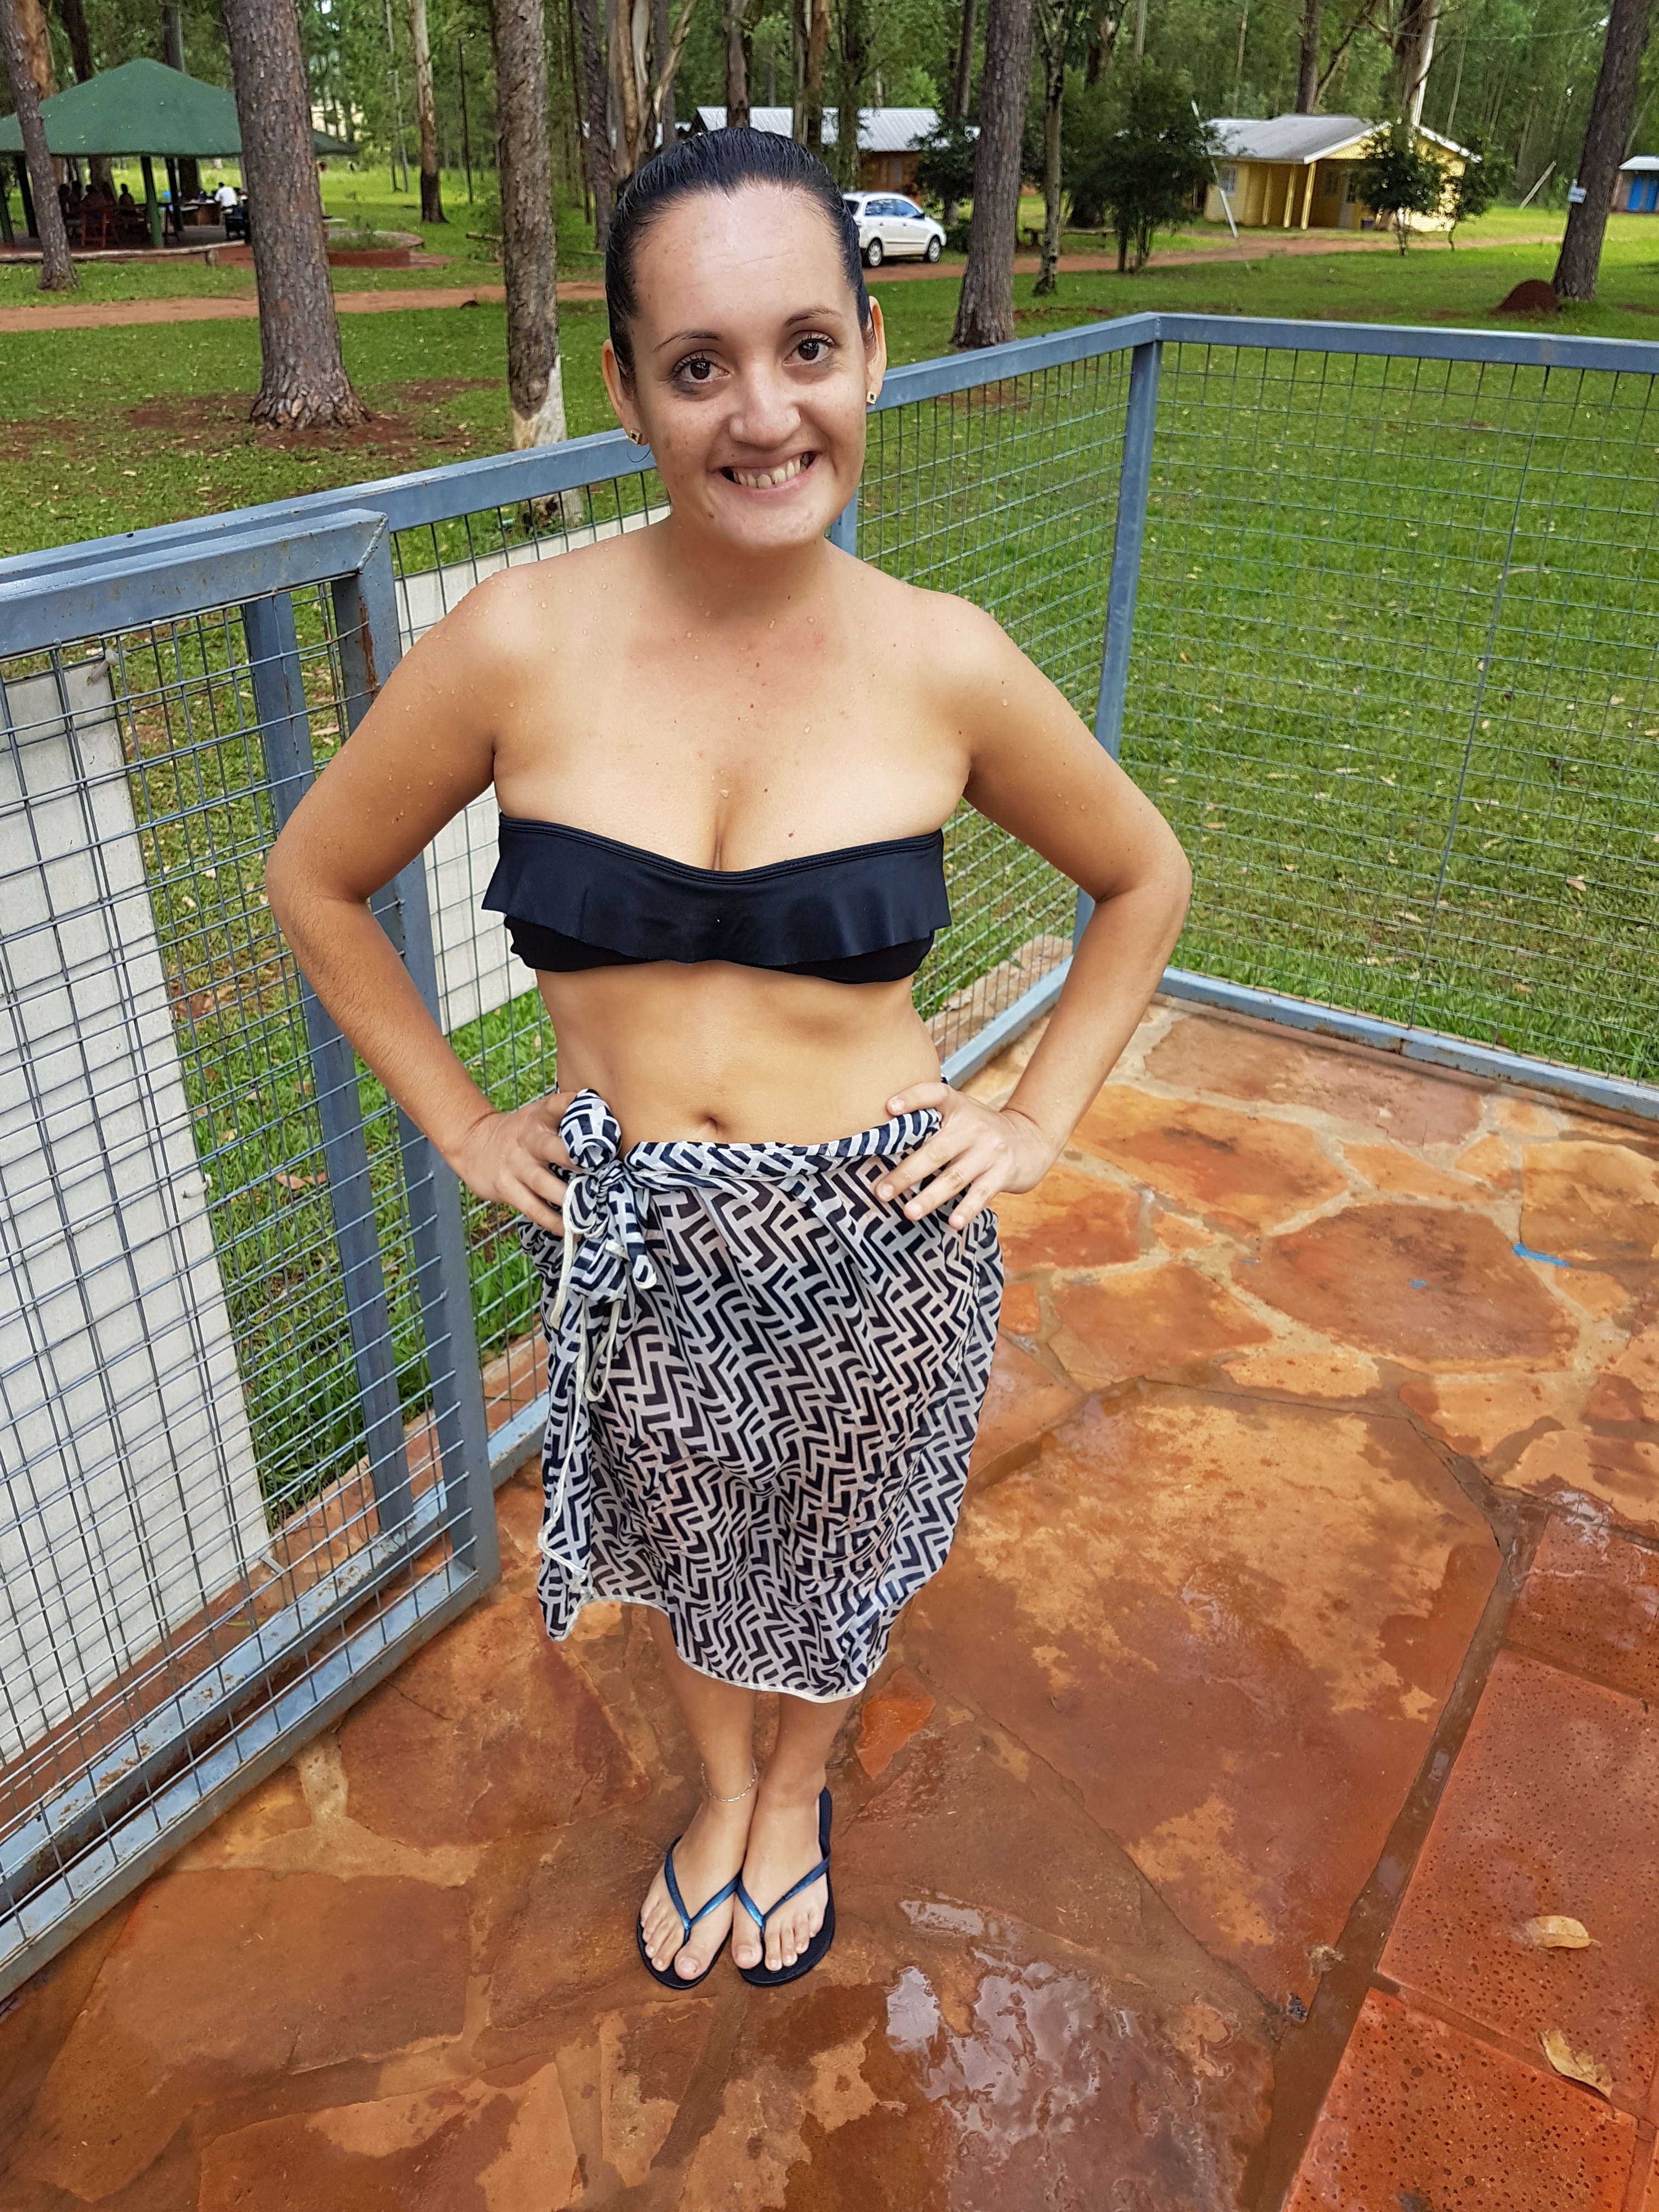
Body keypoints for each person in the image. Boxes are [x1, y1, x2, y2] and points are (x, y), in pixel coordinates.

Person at [265, 128, 1189, 1994]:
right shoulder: (518, 643)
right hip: (634, 1238)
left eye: (806, 348)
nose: (764, 415)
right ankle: (721, 1797)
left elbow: (1143, 874)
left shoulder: (945, 662)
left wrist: (1033, 1118)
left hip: (878, 1238)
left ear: (871, 349)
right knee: (686, 1554)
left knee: (841, 1557)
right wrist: (462, 1122)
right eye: (699, 366)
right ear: (626, 388)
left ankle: (798, 1793)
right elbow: (315, 879)